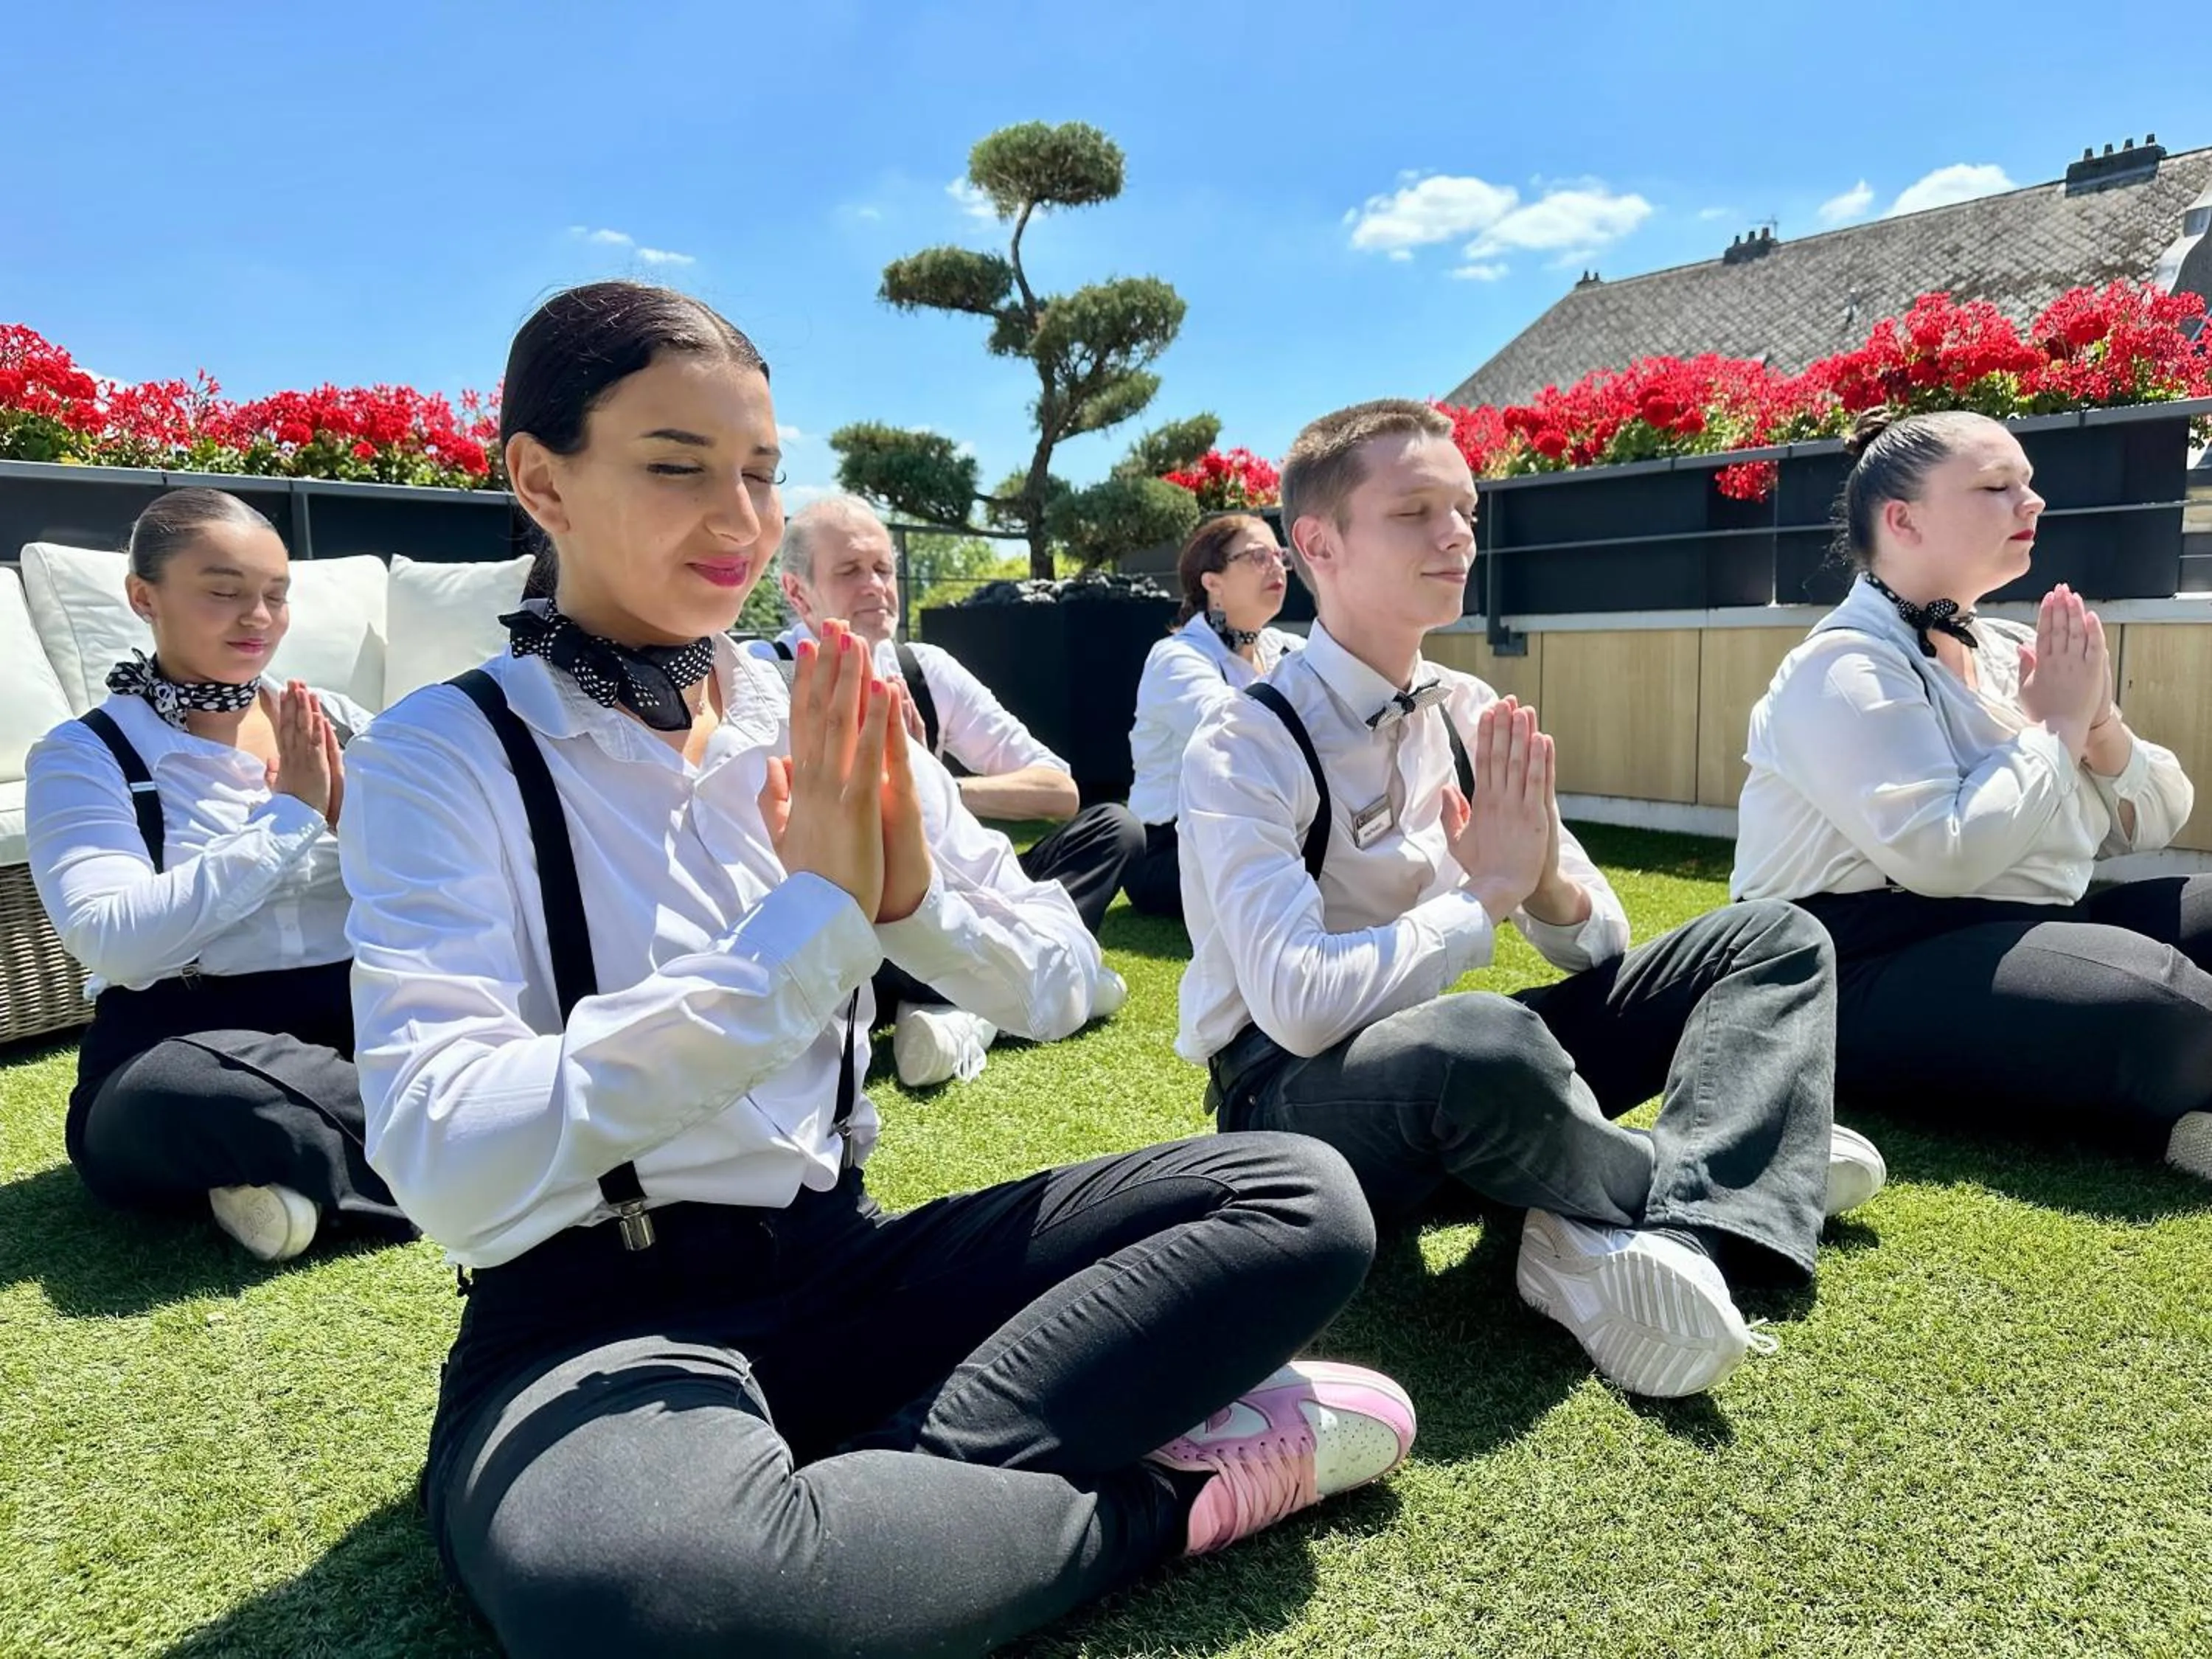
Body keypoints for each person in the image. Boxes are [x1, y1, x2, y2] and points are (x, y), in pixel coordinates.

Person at [338, 281, 1415, 1659]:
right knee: (651, 1607)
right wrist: (817, 923)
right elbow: (442, 1154)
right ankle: (1157, 1499)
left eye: (761, 474)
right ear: (541, 480)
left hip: (847, 1266)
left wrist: (909, 903)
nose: (738, 522)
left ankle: (878, 1501)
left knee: (1298, 1201)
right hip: (593, 1320)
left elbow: (1061, 983)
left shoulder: (827, 706)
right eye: (679, 469)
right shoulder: (440, 755)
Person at [1179, 399, 1882, 1402]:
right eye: (1416, 510)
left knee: (1774, 936)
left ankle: (1622, 1218)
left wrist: (1541, 875)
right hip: (1294, 1104)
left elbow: (1601, 942)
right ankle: (1742, 1167)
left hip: (1457, 1079)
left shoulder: (1468, 709)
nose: (1458, 532)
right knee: (1485, 1040)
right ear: (1318, 543)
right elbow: (1296, 1002)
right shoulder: (1244, 740)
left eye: (1463, 507)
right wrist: (1486, 895)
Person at [1733, 408, 2210, 1180]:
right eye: (1997, 486)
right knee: (2156, 1008)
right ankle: (2170, 1112)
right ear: (1903, 519)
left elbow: (2155, 819)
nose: (2033, 502)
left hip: (2030, 924)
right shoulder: (1842, 669)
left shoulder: (2014, 650)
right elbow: (1944, 858)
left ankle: (2172, 1108)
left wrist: (2098, 728)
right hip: (1857, 963)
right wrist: (2053, 727)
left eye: (2028, 483)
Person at [24, 488, 414, 1262]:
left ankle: (304, 1173)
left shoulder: (332, 721)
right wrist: (290, 816)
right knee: (177, 1096)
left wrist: (351, 821)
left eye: (275, 595)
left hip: (359, 1013)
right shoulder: (86, 755)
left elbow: (434, 880)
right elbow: (112, 942)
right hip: (189, 1031)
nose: (258, 618)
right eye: (224, 592)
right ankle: (471, 1163)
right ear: (144, 596)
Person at [767, 493, 1144, 1087]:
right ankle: (992, 1004)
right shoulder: (765, 683)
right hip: (858, 936)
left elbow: (1058, 789)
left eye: (883, 569)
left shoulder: (924, 671)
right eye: (849, 572)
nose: (875, 587)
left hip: (954, 903)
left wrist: (932, 785)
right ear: (797, 592)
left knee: (1113, 829)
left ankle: (974, 1011)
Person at [1121, 514, 1304, 919]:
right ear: (1212, 582)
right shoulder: (1176, 658)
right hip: (1167, 849)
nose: (1276, 566)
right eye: (1259, 556)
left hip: (1253, 831)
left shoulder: (1285, 648)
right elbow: (1238, 737)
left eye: (1280, 556)